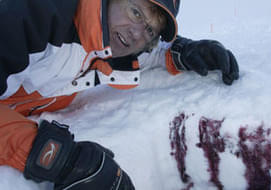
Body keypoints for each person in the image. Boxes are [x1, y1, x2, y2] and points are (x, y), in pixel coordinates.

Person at [0, 0, 239, 189]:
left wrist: (184, 51)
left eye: (149, 30)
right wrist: (58, 159)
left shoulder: (109, 40)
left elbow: (147, 55)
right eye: (136, 12)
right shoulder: (31, 12)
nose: (137, 33)